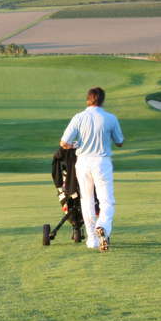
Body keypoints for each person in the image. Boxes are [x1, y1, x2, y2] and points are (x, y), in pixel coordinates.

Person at [60, 86, 124, 251]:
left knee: (86, 200)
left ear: (87, 99)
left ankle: (92, 240)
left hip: (83, 162)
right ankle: (103, 227)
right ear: (102, 100)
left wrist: (77, 144)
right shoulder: (110, 118)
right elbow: (119, 141)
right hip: (101, 161)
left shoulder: (79, 117)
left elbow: (64, 143)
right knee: (106, 200)